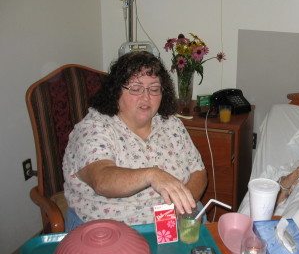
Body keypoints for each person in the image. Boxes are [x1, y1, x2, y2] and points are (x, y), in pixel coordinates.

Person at [63, 51, 207, 231]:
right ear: (116, 91)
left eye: (154, 89)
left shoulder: (172, 125)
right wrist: (152, 175)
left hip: (174, 223)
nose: (146, 97)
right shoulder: (93, 128)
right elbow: (102, 180)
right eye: (136, 88)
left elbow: (198, 172)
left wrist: (184, 206)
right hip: (113, 231)